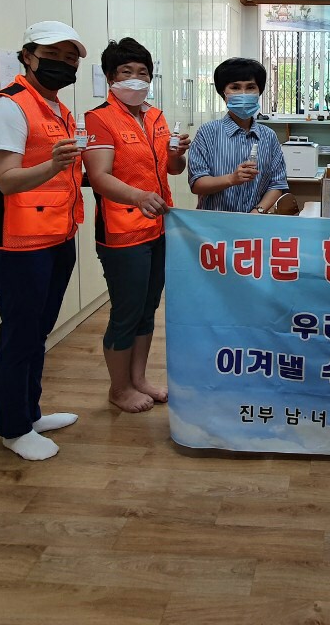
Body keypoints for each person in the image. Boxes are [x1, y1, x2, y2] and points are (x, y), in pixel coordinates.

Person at [0, 21, 86, 461]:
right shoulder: (8, 107)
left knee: (38, 332)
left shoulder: (56, 109)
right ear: (27, 56)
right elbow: (6, 180)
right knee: (20, 335)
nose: (62, 64)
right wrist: (56, 164)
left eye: (70, 58)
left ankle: (31, 412)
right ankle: (14, 428)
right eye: (52, 55)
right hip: (18, 243)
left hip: (57, 235)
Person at [82, 38, 191, 413]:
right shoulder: (99, 119)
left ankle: (139, 379)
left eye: (142, 72)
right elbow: (99, 177)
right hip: (121, 233)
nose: (135, 79)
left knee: (147, 308)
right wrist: (138, 197)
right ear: (110, 77)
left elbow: (171, 169)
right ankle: (119, 388)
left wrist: (177, 153)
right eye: (125, 72)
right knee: (126, 312)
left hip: (159, 228)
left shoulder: (156, 117)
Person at [187, 57, 289, 213]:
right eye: (235, 87)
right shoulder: (207, 133)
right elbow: (197, 184)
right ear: (223, 93)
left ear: (259, 92)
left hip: (255, 222)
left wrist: (257, 212)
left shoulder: (269, 136)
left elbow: (277, 184)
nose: (243, 93)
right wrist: (231, 179)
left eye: (250, 87)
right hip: (213, 222)